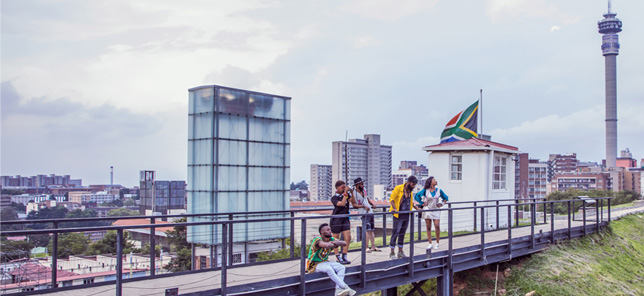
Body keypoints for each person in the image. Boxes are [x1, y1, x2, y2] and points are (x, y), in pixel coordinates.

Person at [306, 223, 357, 296]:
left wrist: (332, 243)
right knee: (329, 269)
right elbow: (325, 245)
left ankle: (338, 290)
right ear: (322, 232)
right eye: (328, 230)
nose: (330, 231)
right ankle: (345, 287)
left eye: (330, 229)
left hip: (325, 262)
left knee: (341, 267)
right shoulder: (317, 240)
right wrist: (334, 243)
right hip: (314, 264)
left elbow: (344, 243)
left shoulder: (331, 239)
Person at [414, 176, 449, 250]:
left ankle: (437, 243)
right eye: (434, 180)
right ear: (430, 182)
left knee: (437, 225)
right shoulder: (425, 191)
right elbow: (417, 196)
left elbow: (446, 198)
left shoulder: (439, 190)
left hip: (436, 209)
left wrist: (442, 204)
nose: (436, 181)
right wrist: (421, 203)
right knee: (428, 227)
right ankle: (430, 243)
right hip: (427, 210)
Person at [388, 175, 418, 260]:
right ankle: (392, 252)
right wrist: (394, 208)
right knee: (396, 232)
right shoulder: (399, 188)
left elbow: (411, 202)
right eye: (413, 184)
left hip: (406, 214)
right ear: (409, 182)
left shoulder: (410, 191)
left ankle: (400, 252)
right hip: (398, 215)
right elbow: (392, 199)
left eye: (415, 184)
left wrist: (416, 208)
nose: (414, 186)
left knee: (402, 233)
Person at [351, 177, 380, 253]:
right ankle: (366, 247)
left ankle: (373, 246)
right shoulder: (353, 193)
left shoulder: (364, 190)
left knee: (371, 230)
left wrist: (371, 204)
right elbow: (354, 204)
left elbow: (367, 198)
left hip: (369, 211)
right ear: (357, 185)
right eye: (361, 184)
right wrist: (363, 206)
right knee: (367, 230)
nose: (363, 185)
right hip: (363, 212)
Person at [330, 180, 355, 264]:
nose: (344, 189)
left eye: (345, 187)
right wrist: (345, 193)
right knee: (336, 239)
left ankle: (345, 255)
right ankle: (337, 256)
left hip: (345, 218)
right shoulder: (334, 198)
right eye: (342, 187)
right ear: (337, 188)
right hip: (336, 219)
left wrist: (351, 192)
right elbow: (342, 203)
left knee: (348, 237)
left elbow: (353, 202)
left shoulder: (347, 195)